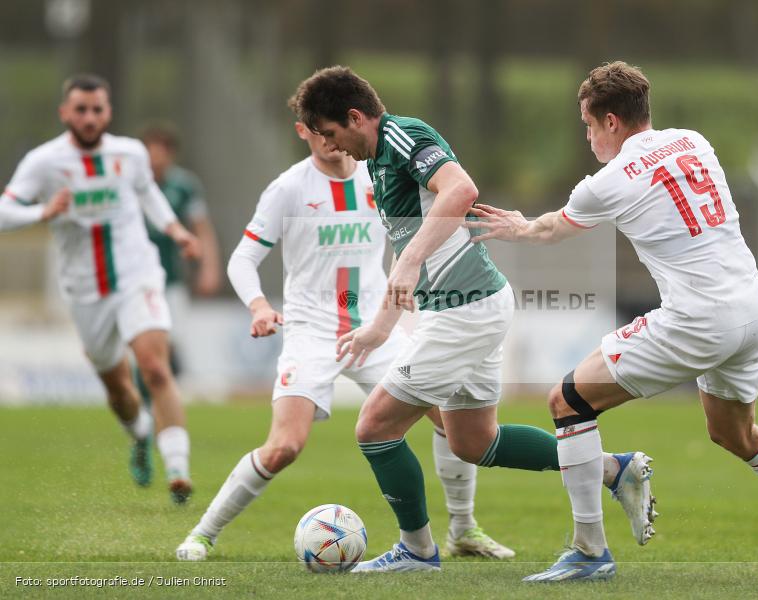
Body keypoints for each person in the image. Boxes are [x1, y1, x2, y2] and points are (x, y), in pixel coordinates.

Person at [469, 61, 758, 582]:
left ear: (611, 122)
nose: (588, 138)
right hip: (752, 309)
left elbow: (553, 230)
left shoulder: (606, 182)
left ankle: (590, 553)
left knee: (567, 400)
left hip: (699, 319)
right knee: (735, 433)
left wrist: (518, 229)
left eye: (589, 126)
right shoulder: (693, 141)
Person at [293, 66, 656, 573]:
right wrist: (382, 323)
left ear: (356, 117)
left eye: (331, 134)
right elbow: (408, 248)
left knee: (374, 427)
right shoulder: (376, 161)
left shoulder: (402, 135)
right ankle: (615, 469)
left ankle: (417, 550)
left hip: (464, 312)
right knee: (474, 443)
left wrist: (412, 260)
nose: (332, 148)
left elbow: (460, 190)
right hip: (469, 306)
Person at [175, 98, 516, 562]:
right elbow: (243, 257)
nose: (331, 142)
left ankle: (462, 529)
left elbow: (422, 220)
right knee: (284, 447)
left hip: (374, 329)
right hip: (312, 332)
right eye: (320, 133)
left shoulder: (376, 170)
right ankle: (203, 533)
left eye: (333, 131)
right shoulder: (288, 189)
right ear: (305, 132)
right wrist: (257, 305)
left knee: (448, 418)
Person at [0, 74, 200, 503]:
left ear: (108, 113)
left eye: (97, 110)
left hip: (137, 275)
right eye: (81, 110)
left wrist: (175, 230)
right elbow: (4, 211)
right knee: (118, 390)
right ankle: (140, 435)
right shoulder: (44, 162)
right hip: (85, 291)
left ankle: (179, 471)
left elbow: (149, 196)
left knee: (155, 367)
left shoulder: (129, 154)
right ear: (65, 113)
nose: (89, 118)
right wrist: (41, 212)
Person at [133, 124, 223, 409]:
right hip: (132, 281)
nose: (155, 158)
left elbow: (201, 228)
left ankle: (160, 398)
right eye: (150, 151)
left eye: (161, 152)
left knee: (170, 342)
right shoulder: (130, 184)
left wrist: (209, 267)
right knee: (141, 345)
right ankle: (145, 406)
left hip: (171, 280)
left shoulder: (184, 186)